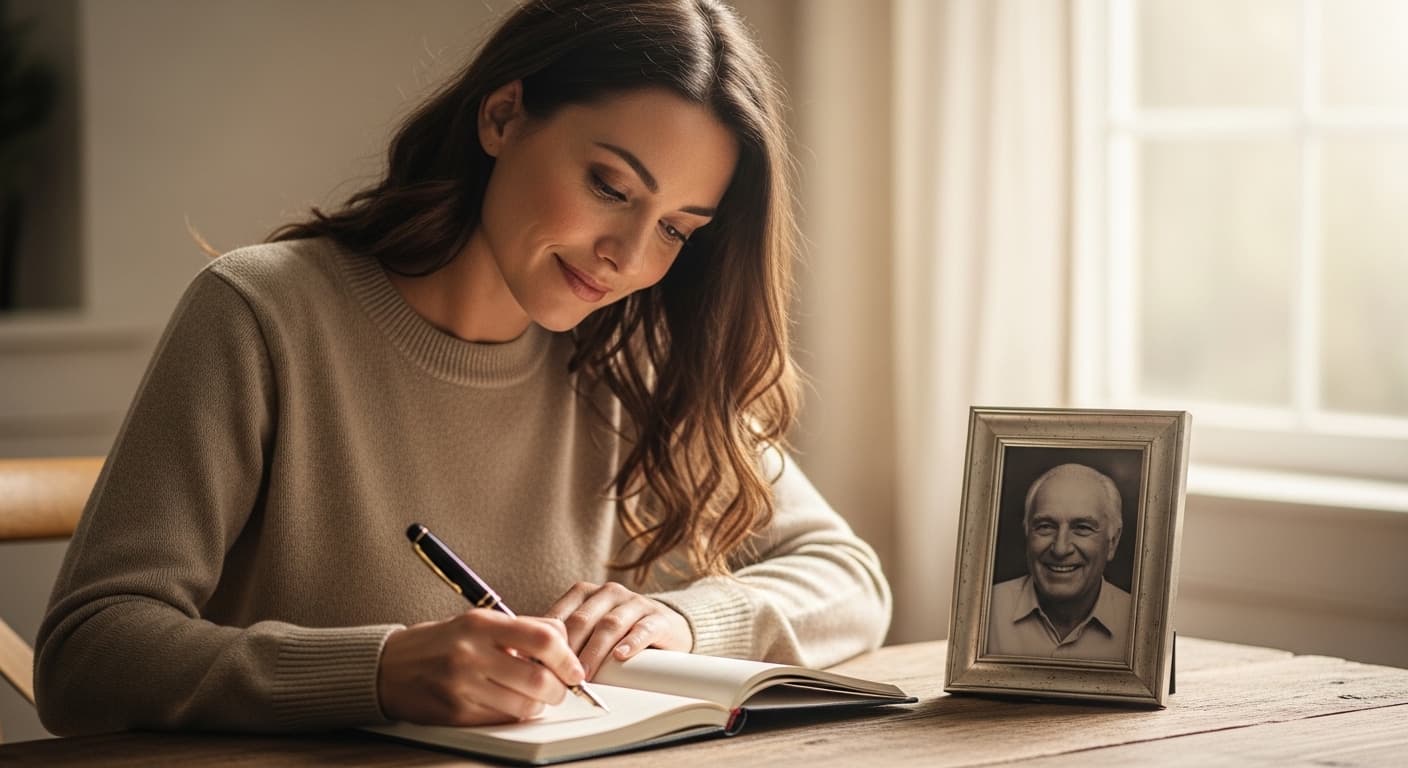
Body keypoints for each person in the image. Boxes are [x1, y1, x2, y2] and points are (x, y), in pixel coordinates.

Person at [35, 0, 890, 735]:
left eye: (676, 228)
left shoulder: (630, 353)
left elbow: (849, 579)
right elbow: (88, 655)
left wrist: (680, 618)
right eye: (610, 186)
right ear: (504, 117)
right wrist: (377, 672)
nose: (628, 256)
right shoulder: (264, 314)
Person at [986, 463, 1131, 661]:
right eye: (1045, 526)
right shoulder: (985, 612)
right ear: (1027, 534)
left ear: (1112, 541)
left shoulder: (1140, 624)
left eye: (1082, 528)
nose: (1061, 549)